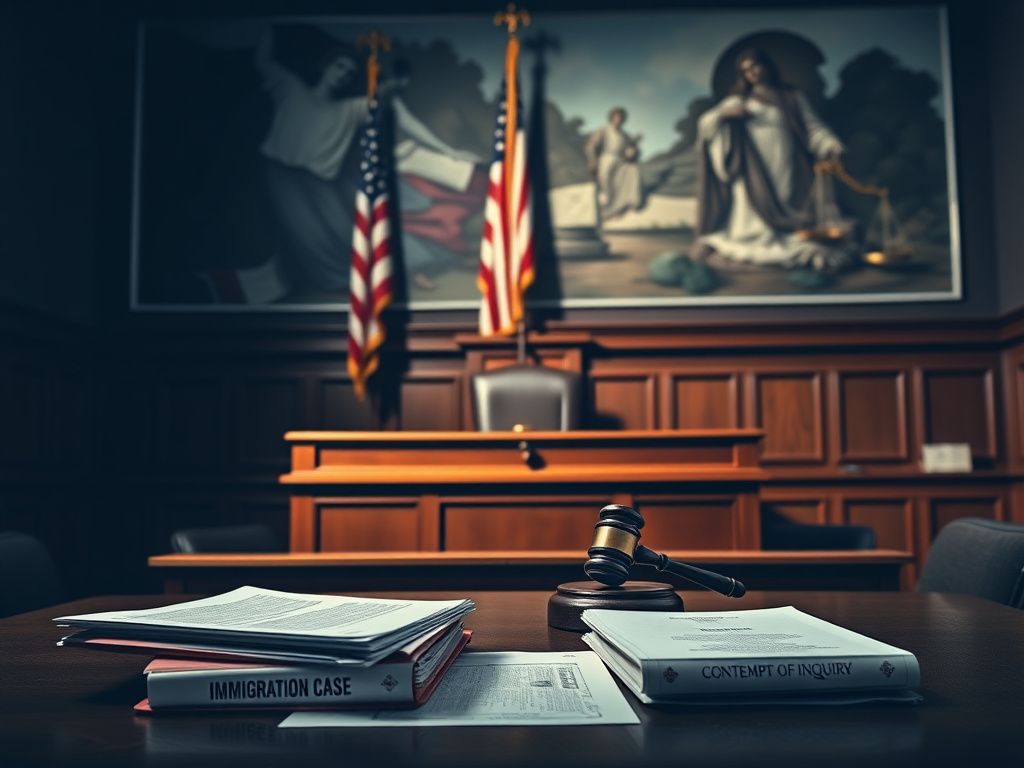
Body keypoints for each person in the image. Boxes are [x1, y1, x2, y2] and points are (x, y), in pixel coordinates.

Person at [255, 26, 480, 297]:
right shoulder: (292, 89)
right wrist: (269, 27)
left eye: (350, 72)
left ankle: (368, 283)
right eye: (339, 67)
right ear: (325, 67)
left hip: (319, 181)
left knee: (349, 234)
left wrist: (397, 81)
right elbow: (263, 63)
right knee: (309, 236)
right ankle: (337, 286)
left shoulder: (348, 110)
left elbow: (398, 111)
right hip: (284, 176)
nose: (343, 75)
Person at [695, 48, 852, 271]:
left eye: (756, 66)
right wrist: (724, 115)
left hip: (785, 162)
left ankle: (785, 233)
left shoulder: (791, 97)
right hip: (750, 167)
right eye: (746, 71)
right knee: (749, 209)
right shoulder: (739, 100)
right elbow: (705, 124)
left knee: (787, 200)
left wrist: (830, 144)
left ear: (767, 65)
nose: (753, 73)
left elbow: (813, 127)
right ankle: (752, 237)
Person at [585, 107, 644, 221]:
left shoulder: (624, 134)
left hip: (621, 162)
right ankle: (606, 211)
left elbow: (629, 151)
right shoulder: (604, 130)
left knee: (632, 172)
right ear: (612, 118)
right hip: (607, 159)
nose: (619, 119)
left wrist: (633, 149)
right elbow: (591, 146)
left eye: (621, 117)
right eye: (616, 117)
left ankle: (623, 207)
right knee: (607, 186)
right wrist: (592, 161)